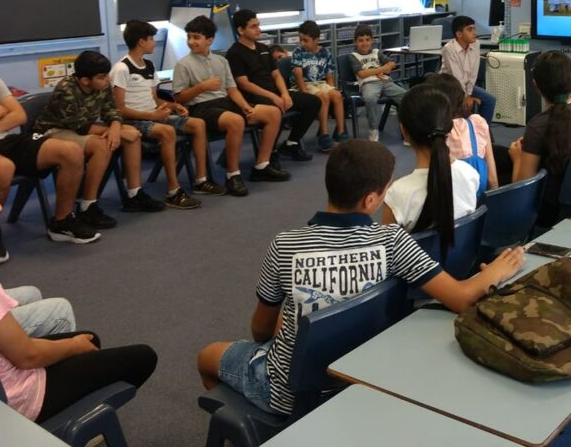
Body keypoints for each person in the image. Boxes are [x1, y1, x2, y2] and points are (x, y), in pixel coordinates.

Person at [195, 141, 525, 419]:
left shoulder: (287, 244)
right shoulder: (393, 241)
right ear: (370, 200)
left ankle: (256, 429)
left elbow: (261, 329)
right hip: (365, 378)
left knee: (207, 357)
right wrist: (495, 271)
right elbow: (463, 298)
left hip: (291, 394)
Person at [0, 156, 157, 422]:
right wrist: (72, 346)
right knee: (141, 356)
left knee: (88, 338)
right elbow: (27, 356)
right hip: (16, 400)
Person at [0, 22, 97, 256]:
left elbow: (18, 115)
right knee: (2, 167)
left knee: (70, 151)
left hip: (5, 140)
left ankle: (61, 221)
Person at [34, 50, 164, 228]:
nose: (108, 80)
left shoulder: (102, 85)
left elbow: (112, 111)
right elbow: (79, 126)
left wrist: (116, 128)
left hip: (81, 128)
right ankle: (88, 206)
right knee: (102, 145)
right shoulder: (66, 89)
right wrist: (115, 132)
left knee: (132, 136)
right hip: (55, 131)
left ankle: (134, 195)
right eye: (102, 77)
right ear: (85, 80)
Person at [111, 20, 224, 210]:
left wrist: (173, 106)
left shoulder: (148, 65)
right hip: (134, 120)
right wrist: (152, 116)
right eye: (151, 39)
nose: (154, 43)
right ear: (141, 42)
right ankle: (173, 191)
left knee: (198, 124)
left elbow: (154, 98)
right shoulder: (121, 68)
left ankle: (201, 180)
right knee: (167, 132)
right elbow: (119, 109)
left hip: (153, 116)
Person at [173, 15, 290, 198]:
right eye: (189, 37)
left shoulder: (221, 61)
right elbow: (179, 98)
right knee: (235, 121)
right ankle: (233, 175)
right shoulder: (183, 65)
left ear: (209, 40)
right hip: (201, 107)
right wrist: (202, 87)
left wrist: (244, 105)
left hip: (225, 103)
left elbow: (232, 89)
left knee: (273, 113)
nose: (191, 42)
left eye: (196, 37)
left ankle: (262, 166)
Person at [503, 51, 571, 228]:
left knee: (500, 168)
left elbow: (522, 187)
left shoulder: (538, 125)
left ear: (535, 85)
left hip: (549, 213)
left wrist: (517, 157)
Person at [383, 86, 480, 261]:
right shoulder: (470, 174)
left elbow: (386, 255)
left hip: (415, 284)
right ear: (449, 127)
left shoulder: (397, 193)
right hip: (462, 266)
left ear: (404, 131)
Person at [226, 10, 319, 162]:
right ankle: (269, 153)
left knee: (314, 102)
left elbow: (276, 74)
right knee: (277, 108)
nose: (259, 29)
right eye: (253, 26)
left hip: (274, 93)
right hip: (253, 97)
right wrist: (274, 97)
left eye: (259, 25)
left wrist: (284, 93)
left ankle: (291, 143)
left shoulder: (263, 48)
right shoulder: (234, 53)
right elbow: (244, 83)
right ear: (241, 30)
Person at [424, 72, 497, 194]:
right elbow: (492, 179)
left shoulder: (433, 132)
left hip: (448, 204)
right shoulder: (477, 123)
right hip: (477, 205)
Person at [289, 20, 348, 152]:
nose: (302, 43)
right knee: (323, 97)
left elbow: (329, 74)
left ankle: (341, 132)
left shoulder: (325, 52)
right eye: (300, 40)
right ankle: (324, 136)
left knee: (337, 96)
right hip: (303, 84)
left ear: (316, 40)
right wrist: (304, 92)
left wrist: (332, 89)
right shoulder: (298, 52)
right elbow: (298, 74)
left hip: (320, 83)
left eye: (305, 40)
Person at [347, 24, 407, 142]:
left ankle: (407, 131)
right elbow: (361, 74)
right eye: (361, 40)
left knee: (406, 97)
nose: (364, 43)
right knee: (370, 99)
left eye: (367, 40)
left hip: (385, 82)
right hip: (368, 84)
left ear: (372, 40)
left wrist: (378, 70)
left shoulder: (376, 52)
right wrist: (381, 70)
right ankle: (373, 129)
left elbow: (392, 64)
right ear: (355, 42)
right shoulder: (353, 56)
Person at [439, 15, 495, 124]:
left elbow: (473, 73)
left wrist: (469, 94)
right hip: (448, 85)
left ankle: (482, 131)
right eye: (470, 30)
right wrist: (466, 97)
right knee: (462, 106)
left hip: (466, 85)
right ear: (459, 34)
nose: (474, 33)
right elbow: (457, 76)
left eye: (474, 29)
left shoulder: (475, 45)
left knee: (490, 100)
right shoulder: (449, 49)